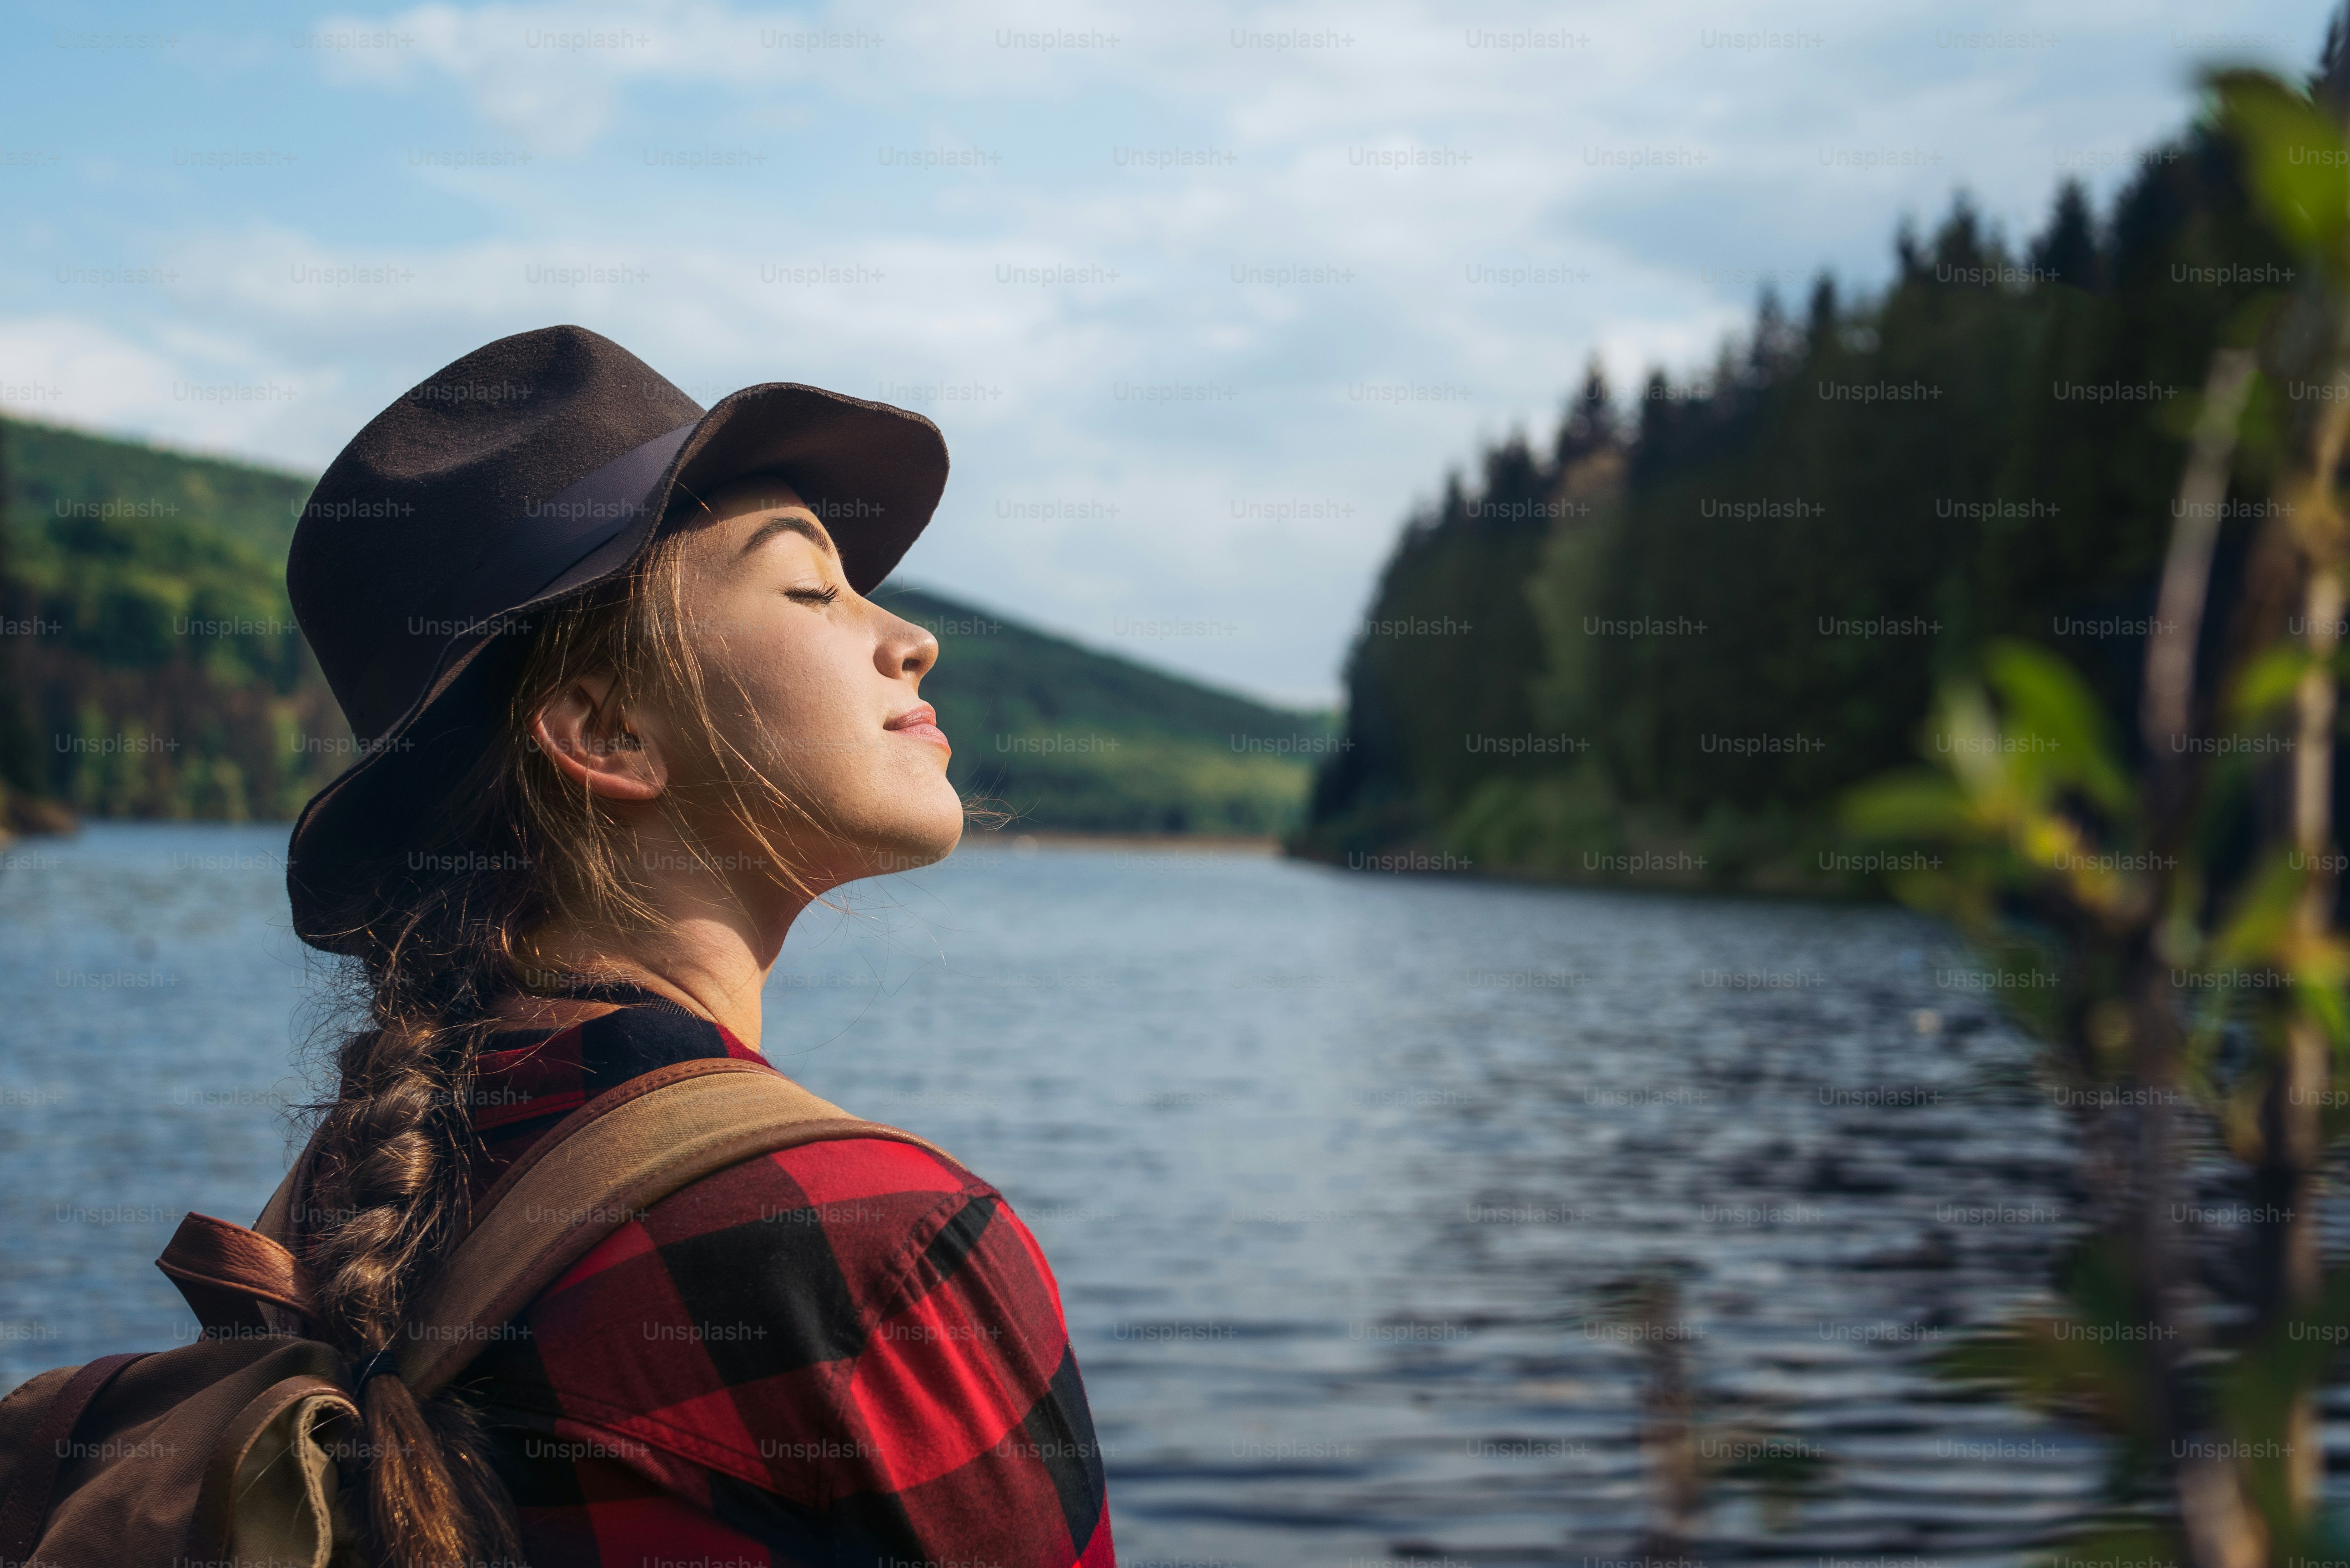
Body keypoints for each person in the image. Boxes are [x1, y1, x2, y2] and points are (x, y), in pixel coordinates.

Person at [278, 325, 1117, 1566]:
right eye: (811, 588)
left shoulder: (326, 1213)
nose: (912, 638)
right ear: (607, 732)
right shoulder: (878, 1245)